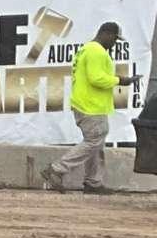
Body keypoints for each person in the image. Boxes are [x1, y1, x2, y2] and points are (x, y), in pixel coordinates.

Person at [45, 21, 123, 193]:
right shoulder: (96, 51)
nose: (114, 43)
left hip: (87, 104)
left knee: (96, 143)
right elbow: (97, 79)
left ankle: (93, 182)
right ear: (106, 34)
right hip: (91, 106)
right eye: (114, 39)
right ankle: (57, 169)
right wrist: (120, 80)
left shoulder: (87, 49)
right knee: (93, 141)